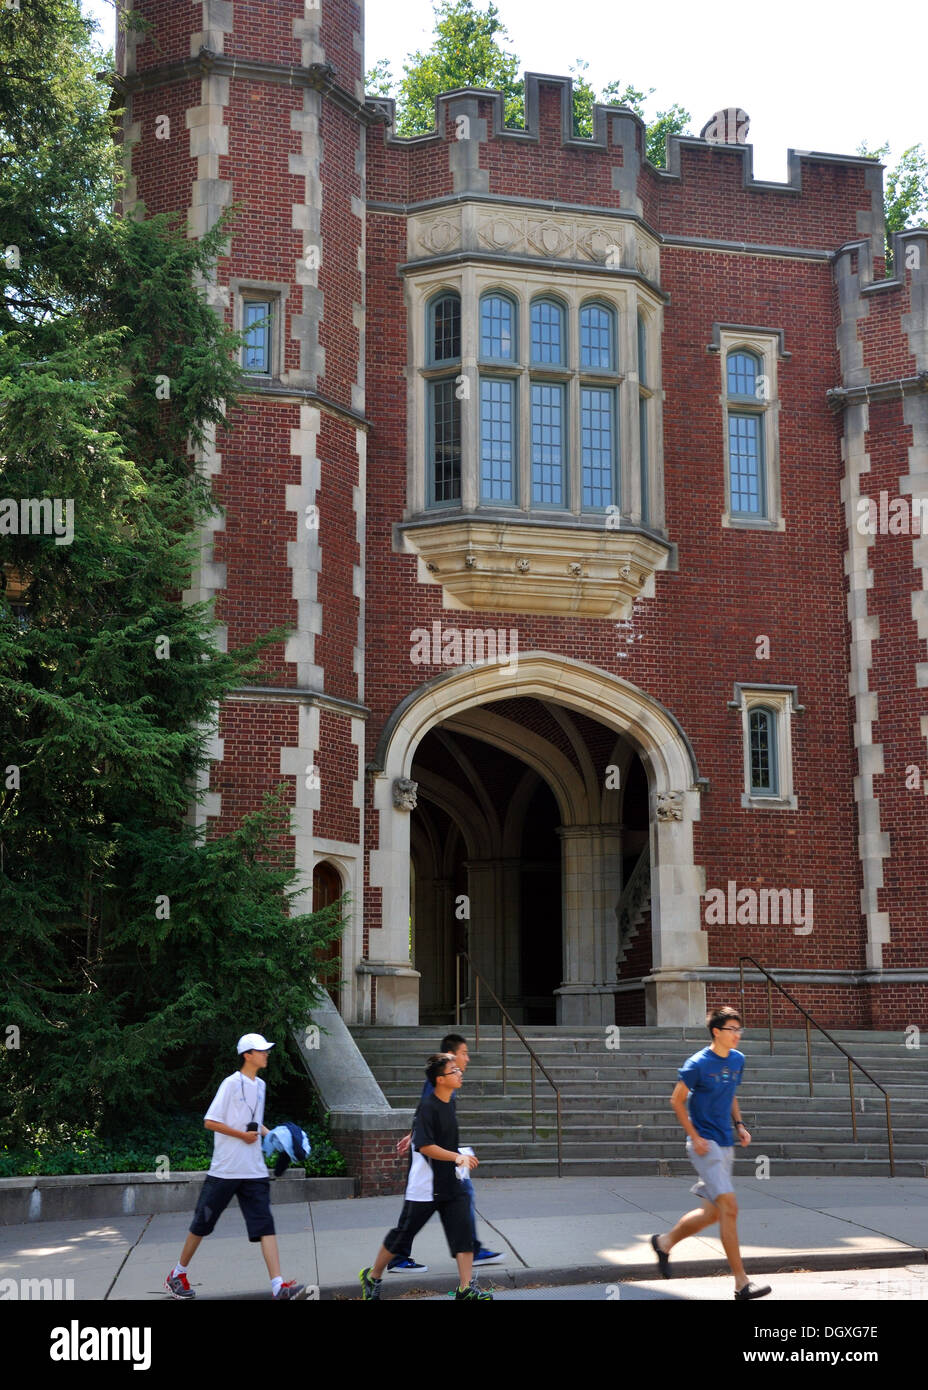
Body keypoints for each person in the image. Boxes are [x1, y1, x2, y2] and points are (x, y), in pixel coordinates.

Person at [164, 1032, 308, 1300]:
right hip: (225, 1170)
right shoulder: (230, 1084)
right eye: (261, 1050)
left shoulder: (261, 1086)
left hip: (254, 1171)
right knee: (202, 1224)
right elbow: (211, 1121)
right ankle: (177, 1274)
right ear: (247, 1055)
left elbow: (255, 1121)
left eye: (267, 1050)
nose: (267, 1054)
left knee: (265, 1225)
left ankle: (279, 1287)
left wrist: (275, 1137)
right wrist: (242, 1136)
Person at [650, 1005, 771, 1301]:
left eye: (739, 1029)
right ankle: (741, 1283)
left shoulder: (737, 1060)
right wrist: (695, 1137)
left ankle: (664, 1243)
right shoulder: (697, 1064)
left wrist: (739, 1125)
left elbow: (730, 1095)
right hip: (705, 1145)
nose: (737, 1035)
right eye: (732, 1030)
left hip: (725, 1143)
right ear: (717, 1032)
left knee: (711, 1213)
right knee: (730, 1208)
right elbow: (677, 1101)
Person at [359, 1054, 493, 1301]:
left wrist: (451, 1157)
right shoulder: (428, 1106)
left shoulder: (449, 1101)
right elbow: (425, 1146)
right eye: (454, 1071)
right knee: (403, 1234)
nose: (460, 1073)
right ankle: (373, 1275)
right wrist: (456, 1157)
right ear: (441, 1079)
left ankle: (465, 1289)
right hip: (426, 1187)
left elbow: (424, 1132)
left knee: (463, 1232)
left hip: (452, 1181)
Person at [389, 1032, 502, 1272]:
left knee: (446, 1200)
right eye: (464, 1053)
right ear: (451, 1056)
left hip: (441, 1151)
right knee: (422, 1207)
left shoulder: (450, 1080)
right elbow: (426, 1110)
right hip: (432, 1154)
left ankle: (467, 1250)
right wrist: (416, 1137)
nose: (467, 1059)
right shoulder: (439, 1079)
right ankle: (396, 1257)